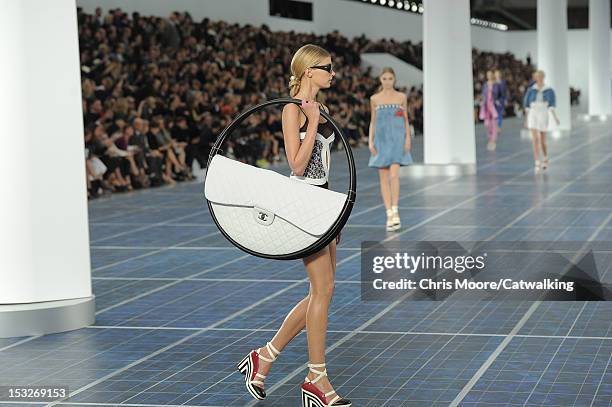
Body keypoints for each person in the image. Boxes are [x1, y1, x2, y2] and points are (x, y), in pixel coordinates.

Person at [237, 44, 351, 407]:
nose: (333, 72)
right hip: (304, 203)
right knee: (324, 290)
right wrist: (313, 119)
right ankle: (316, 377)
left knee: (324, 291)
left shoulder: (322, 107)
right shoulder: (292, 110)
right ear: (308, 72)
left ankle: (265, 356)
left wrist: (336, 215)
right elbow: (297, 166)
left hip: (324, 202)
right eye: (327, 67)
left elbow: (325, 166)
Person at [368, 67, 412, 232]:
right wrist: (370, 141)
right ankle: (389, 214)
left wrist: (408, 138)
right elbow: (373, 121)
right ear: (380, 79)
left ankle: (395, 210)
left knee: (394, 175)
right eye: (384, 78)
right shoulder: (374, 99)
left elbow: (406, 119)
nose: (387, 81)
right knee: (384, 178)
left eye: (390, 78)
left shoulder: (402, 97)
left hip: (397, 140)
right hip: (381, 140)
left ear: (394, 80)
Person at [523, 70, 559, 171]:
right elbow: (527, 105)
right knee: (535, 139)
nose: (538, 78)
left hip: (543, 112)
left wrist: (555, 118)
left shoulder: (549, 90)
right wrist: (526, 119)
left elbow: (552, 104)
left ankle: (545, 157)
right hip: (533, 113)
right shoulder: (531, 90)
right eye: (537, 76)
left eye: (540, 76)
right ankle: (537, 160)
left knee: (542, 140)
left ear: (543, 77)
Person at [479, 70, 502, 151]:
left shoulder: (496, 85)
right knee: (487, 124)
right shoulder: (485, 84)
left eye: (490, 75)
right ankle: (489, 138)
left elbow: (499, 94)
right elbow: (483, 94)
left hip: (494, 106)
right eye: (487, 75)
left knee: (494, 124)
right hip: (486, 106)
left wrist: (499, 102)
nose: (489, 76)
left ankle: (493, 140)